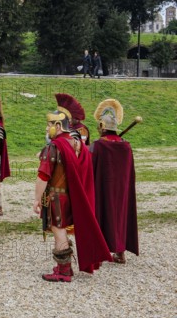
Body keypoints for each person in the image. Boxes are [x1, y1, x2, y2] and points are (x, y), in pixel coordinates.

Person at [33, 93, 112, 282]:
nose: (48, 127)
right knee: (60, 229)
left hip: (57, 197)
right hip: (70, 196)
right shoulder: (74, 143)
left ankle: (64, 270)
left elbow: (43, 176)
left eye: (50, 124)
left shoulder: (53, 147)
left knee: (58, 229)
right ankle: (63, 265)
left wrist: (36, 199)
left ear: (59, 126)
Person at [90, 99, 138, 264]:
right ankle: (120, 252)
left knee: (102, 215)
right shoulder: (126, 145)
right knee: (120, 216)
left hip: (102, 188)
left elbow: (88, 164)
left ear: (103, 127)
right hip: (122, 189)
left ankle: (99, 251)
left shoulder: (98, 145)